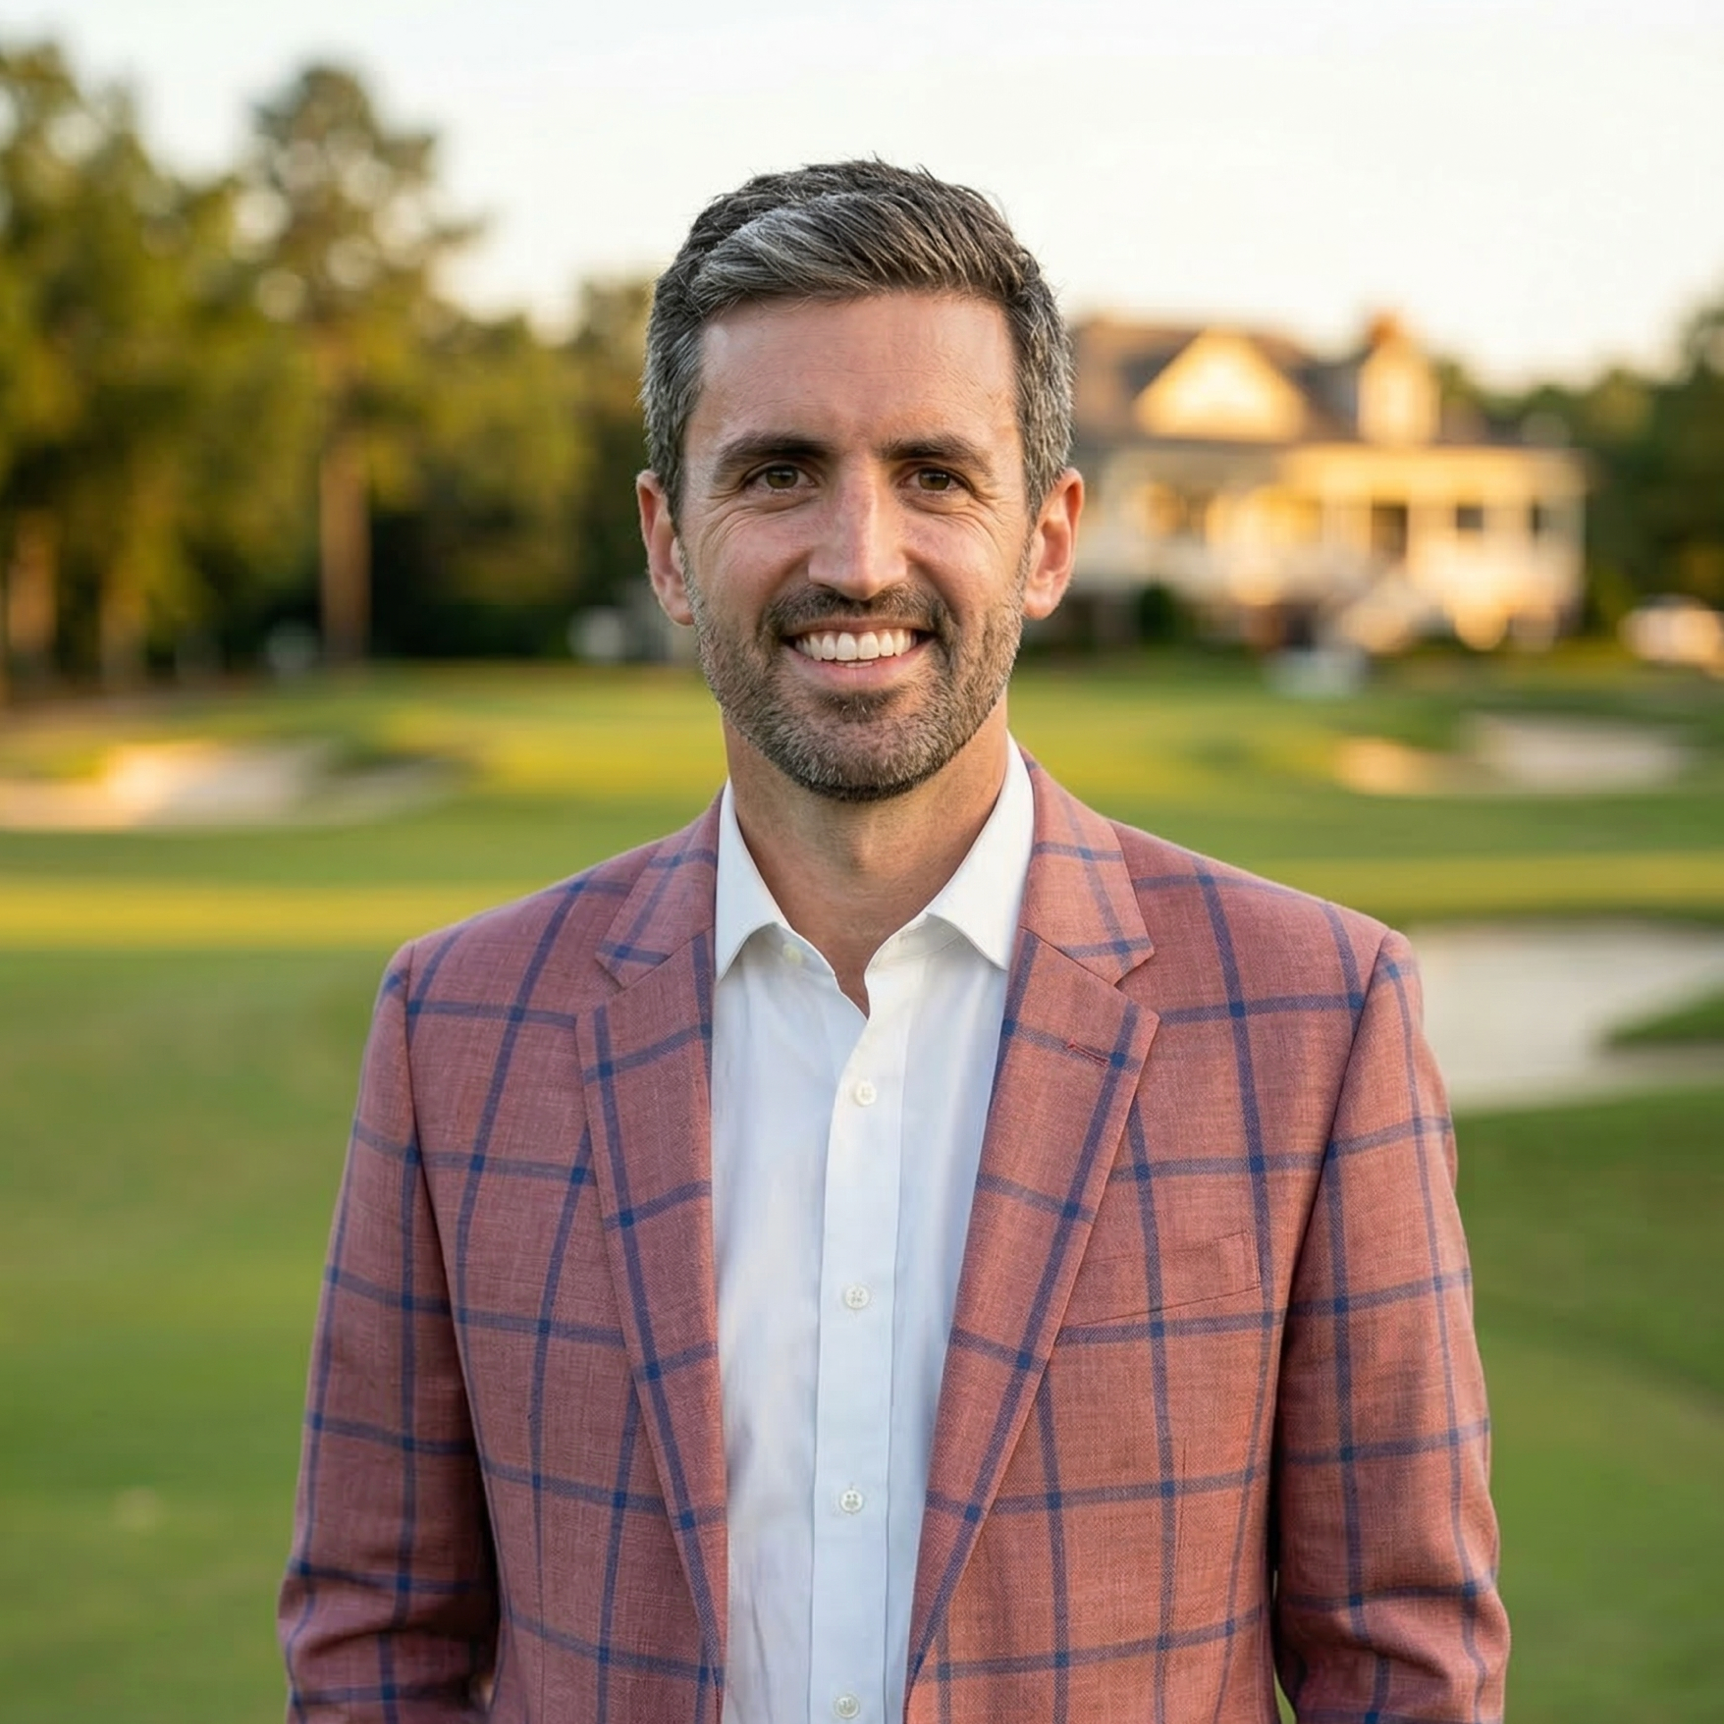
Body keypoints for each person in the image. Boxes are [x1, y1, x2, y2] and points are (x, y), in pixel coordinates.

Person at [280, 160, 1507, 1723]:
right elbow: (380, 1645)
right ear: (669, 540)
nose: (859, 556)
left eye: (936, 473)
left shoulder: (1319, 1025)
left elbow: (1401, 1666)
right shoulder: (455, 1031)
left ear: (1047, 539)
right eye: (780, 471)